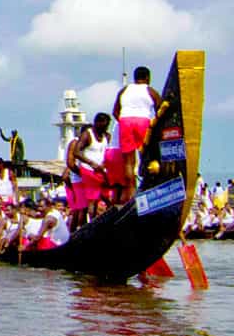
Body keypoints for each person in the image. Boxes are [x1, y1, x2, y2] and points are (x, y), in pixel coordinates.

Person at [113, 67, 162, 196]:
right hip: (143, 121)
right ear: (147, 78)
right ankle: (147, 185)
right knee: (147, 156)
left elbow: (115, 112)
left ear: (135, 78)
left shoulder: (124, 90)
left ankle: (131, 194)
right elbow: (161, 110)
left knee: (129, 162)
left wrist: (123, 122)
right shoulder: (150, 90)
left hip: (125, 121)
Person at [64, 112, 113, 228]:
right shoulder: (78, 141)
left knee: (106, 197)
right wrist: (85, 170)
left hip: (100, 171)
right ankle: (82, 229)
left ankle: (108, 221)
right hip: (83, 174)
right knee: (83, 207)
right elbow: (70, 162)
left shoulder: (106, 136)